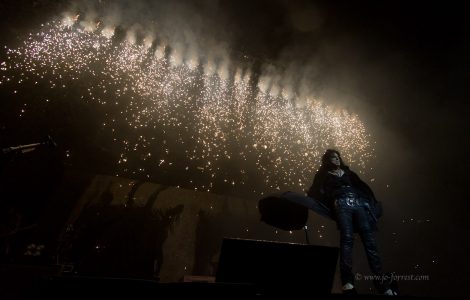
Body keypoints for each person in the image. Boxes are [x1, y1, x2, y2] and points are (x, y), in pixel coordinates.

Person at [306, 149, 396, 296]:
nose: (336, 159)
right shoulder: (324, 175)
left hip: (358, 204)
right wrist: (324, 198)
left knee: (370, 241)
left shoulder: (349, 173)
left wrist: (368, 203)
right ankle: (347, 281)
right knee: (347, 238)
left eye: (337, 157)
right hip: (341, 205)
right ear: (327, 160)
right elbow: (316, 190)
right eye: (332, 158)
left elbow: (362, 188)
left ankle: (382, 284)